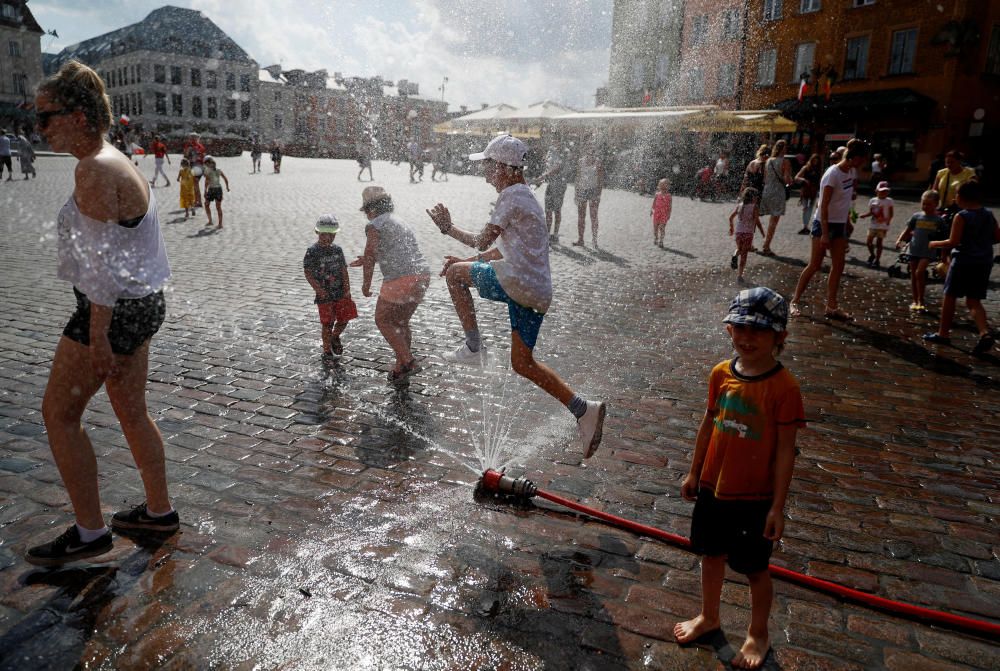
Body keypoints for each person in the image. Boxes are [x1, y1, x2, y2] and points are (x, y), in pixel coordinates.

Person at [25, 60, 177, 567]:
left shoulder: (94, 168)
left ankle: (90, 534)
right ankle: (158, 513)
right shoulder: (114, 157)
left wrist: (99, 337)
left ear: (81, 116)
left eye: (46, 117)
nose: (38, 127)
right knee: (132, 412)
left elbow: (102, 271)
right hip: (141, 302)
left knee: (58, 413)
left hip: (111, 309)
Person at [426, 134, 607, 457]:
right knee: (522, 363)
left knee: (454, 276)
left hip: (518, 283)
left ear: (505, 168)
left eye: (488, 166)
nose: (485, 174)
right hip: (537, 291)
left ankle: (473, 347)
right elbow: (503, 249)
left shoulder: (511, 196)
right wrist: (470, 263)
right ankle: (583, 409)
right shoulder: (526, 197)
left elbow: (482, 242)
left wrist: (448, 229)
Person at [674, 286, 804, 671]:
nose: (747, 338)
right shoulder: (720, 374)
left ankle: (758, 632)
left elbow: (785, 451)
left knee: (754, 569)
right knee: (710, 556)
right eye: (740, 329)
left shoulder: (784, 388)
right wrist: (695, 471)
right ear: (729, 330)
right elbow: (709, 422)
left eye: (759, 332)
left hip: (755, 497)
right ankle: (709, 616)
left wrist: (777, 507)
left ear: (779, 337)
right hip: (715, 487)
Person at [350, 187, 432, 383]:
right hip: (421, 275)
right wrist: (370, 258)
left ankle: (409, 361)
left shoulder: (375, 224)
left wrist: (365, 284)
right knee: (401, 322)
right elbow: (394, 251)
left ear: (369, 209)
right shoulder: (398, 221)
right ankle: (401, 368)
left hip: (400, 279)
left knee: (383, 320)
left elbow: (370, 255)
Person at [789, 138, 870, 321]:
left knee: (839, 265)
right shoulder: (832, 174)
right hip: (823, 223)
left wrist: (848, 220)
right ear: (855, 157)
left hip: (839, 223)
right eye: (862, 158)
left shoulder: (851, 171)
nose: (864, 163)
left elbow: (846, 199)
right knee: (815, 265)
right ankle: (794, 301)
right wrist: (824, 233)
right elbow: (823, 205)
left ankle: (831, 306)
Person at [923, 181, 999, 354]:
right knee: (974, 300)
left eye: (956, 194)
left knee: (950, 296)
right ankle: (984, 333)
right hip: (984, 261)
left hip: (963, 261)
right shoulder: (988, 214)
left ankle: (943, 333)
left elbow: (953, 242)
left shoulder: (962, 216)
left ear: (961, 197)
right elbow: (997, 236)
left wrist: (934, 243)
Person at [304, 215, 358, 364]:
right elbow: (308, 272)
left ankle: (335, 336)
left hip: (340, 291)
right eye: (323, 234)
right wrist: (318, 289)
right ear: (317, 233)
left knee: (344, 318)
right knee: (327, 323)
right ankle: (327, 350)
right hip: (324, 295)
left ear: (335, 234)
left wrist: (347, 289)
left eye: (330, 235)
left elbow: (343, 270)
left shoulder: (338, 250)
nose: (327, 238)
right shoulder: (312, 251)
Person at [895, 190, 944, 312]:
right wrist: (899, 240)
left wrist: (943, 253)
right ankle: (915, 300)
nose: (925, 206)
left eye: (929, 204)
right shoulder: (916, 216)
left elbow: (944, 236)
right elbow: (907, 230)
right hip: (914, 249)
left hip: (928, 251)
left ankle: (921, 300)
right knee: (913, 275)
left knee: (919, 272)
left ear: (936, 204)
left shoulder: (939, 220)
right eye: (924, 204)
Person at [759, 139, 792, 256]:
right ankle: (766, 245)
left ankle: (748, 242)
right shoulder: (785, 162)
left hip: (767, 191)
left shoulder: (768, 161)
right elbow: (787, 179)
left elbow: (765, 178)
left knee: (756, 215)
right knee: (773, 222)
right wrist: (790, 181)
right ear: (783, 149)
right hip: (778, 192)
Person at [729, 188, 766, 284]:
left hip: (738, 232)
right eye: (756, 196)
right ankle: (739, 276)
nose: (757, 198)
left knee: (739, 249)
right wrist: (762, 231)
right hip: (748, 233)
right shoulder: (754, 207)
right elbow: (757, 221)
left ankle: (734, 255)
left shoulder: (740, 205)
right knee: (744, 254)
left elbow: (731, 217)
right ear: (752, 197)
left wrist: (731, 228)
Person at [535, 145, 569, 242]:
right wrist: (541, 180)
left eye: (556, 140)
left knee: (557, 210)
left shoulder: (563, 153)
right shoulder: (551, 153)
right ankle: (548, 234)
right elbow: (548, 169)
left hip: (559, 185)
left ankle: (555, 234)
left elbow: (556, 168)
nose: (554, 143)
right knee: (548, 210)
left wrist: (542, 177)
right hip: (551, 184)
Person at [573, 148, 605, 247]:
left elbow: (600, 179)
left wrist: (599, 194)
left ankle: (594, 241)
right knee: (581, 216)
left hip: (593, 190)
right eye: (587, 146)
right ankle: (580, 239)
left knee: (593, 216)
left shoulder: (598, 162)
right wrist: (576, 192)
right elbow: (578, 178)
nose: (589, 149)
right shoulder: (580, 161)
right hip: (582, 190)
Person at [858, 181, 894, 267]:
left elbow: (891, 213)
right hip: (873, 224)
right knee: (868, 242)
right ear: (876, 191)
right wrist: (864, 215)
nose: (883, 193)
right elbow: (871, 212)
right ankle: (872, 254)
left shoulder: (889, 201)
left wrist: (887, 222)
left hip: (882, 226)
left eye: (885, 191)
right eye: (881, 191)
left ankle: (877, 260)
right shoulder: (872, 200)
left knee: (879, 243)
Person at [929, 150, 976, 216]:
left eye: (952, 162)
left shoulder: (969, 173)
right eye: (947, 162)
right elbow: (934, 193)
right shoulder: (941, 173)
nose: (949, 165)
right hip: (945, 209)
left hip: (963, 210)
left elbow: (974, 190)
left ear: (959, 161)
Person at [794, 154, 821, 235]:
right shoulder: (806, 168)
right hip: (805, 191)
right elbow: (796, 177)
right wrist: (804, 180)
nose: (815, 162)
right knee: (805, 208)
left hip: (814, 192)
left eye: (817, 161)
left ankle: (806, 227)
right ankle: (805, 227)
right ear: (811, 160)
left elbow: (819, 181)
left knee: (809, 209)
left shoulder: (818, 169)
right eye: (814, 160)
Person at [201, 156, 230, 228]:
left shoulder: (208, 171)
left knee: (211, 205)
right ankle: (217, 223)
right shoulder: (218, 170)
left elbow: (206, 181)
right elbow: (225, 179)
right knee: (213, 206)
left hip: (213, 189)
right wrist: (227, 187)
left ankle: (213, 222)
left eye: (207, 164)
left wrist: (205, 190)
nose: (206, 165)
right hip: (218, 189)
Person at [182, 132, 206, 207]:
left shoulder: (191, 146)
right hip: (198, 167)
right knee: (195, 185)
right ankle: (198, 201)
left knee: (194, 184)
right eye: (192, 138)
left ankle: (197, 201)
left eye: (193, 137)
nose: (192, 139)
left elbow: (186, 156)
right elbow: (203, 157)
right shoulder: (200, 146)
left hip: (195, 167)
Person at [651, 177, 673, 248]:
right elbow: (654, 203)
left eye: (665, 185)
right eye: (662, 185)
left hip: (664, 214)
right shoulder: (657, 194)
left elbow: (670, 206)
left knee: (662, 227)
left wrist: (669, 214)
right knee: (655, 228)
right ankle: (656, 237)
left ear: (668, 187)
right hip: (656, 213)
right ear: (659, 186)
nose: (663, 187)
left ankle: (661, 241)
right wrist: (651, 210)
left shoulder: (669, 196)